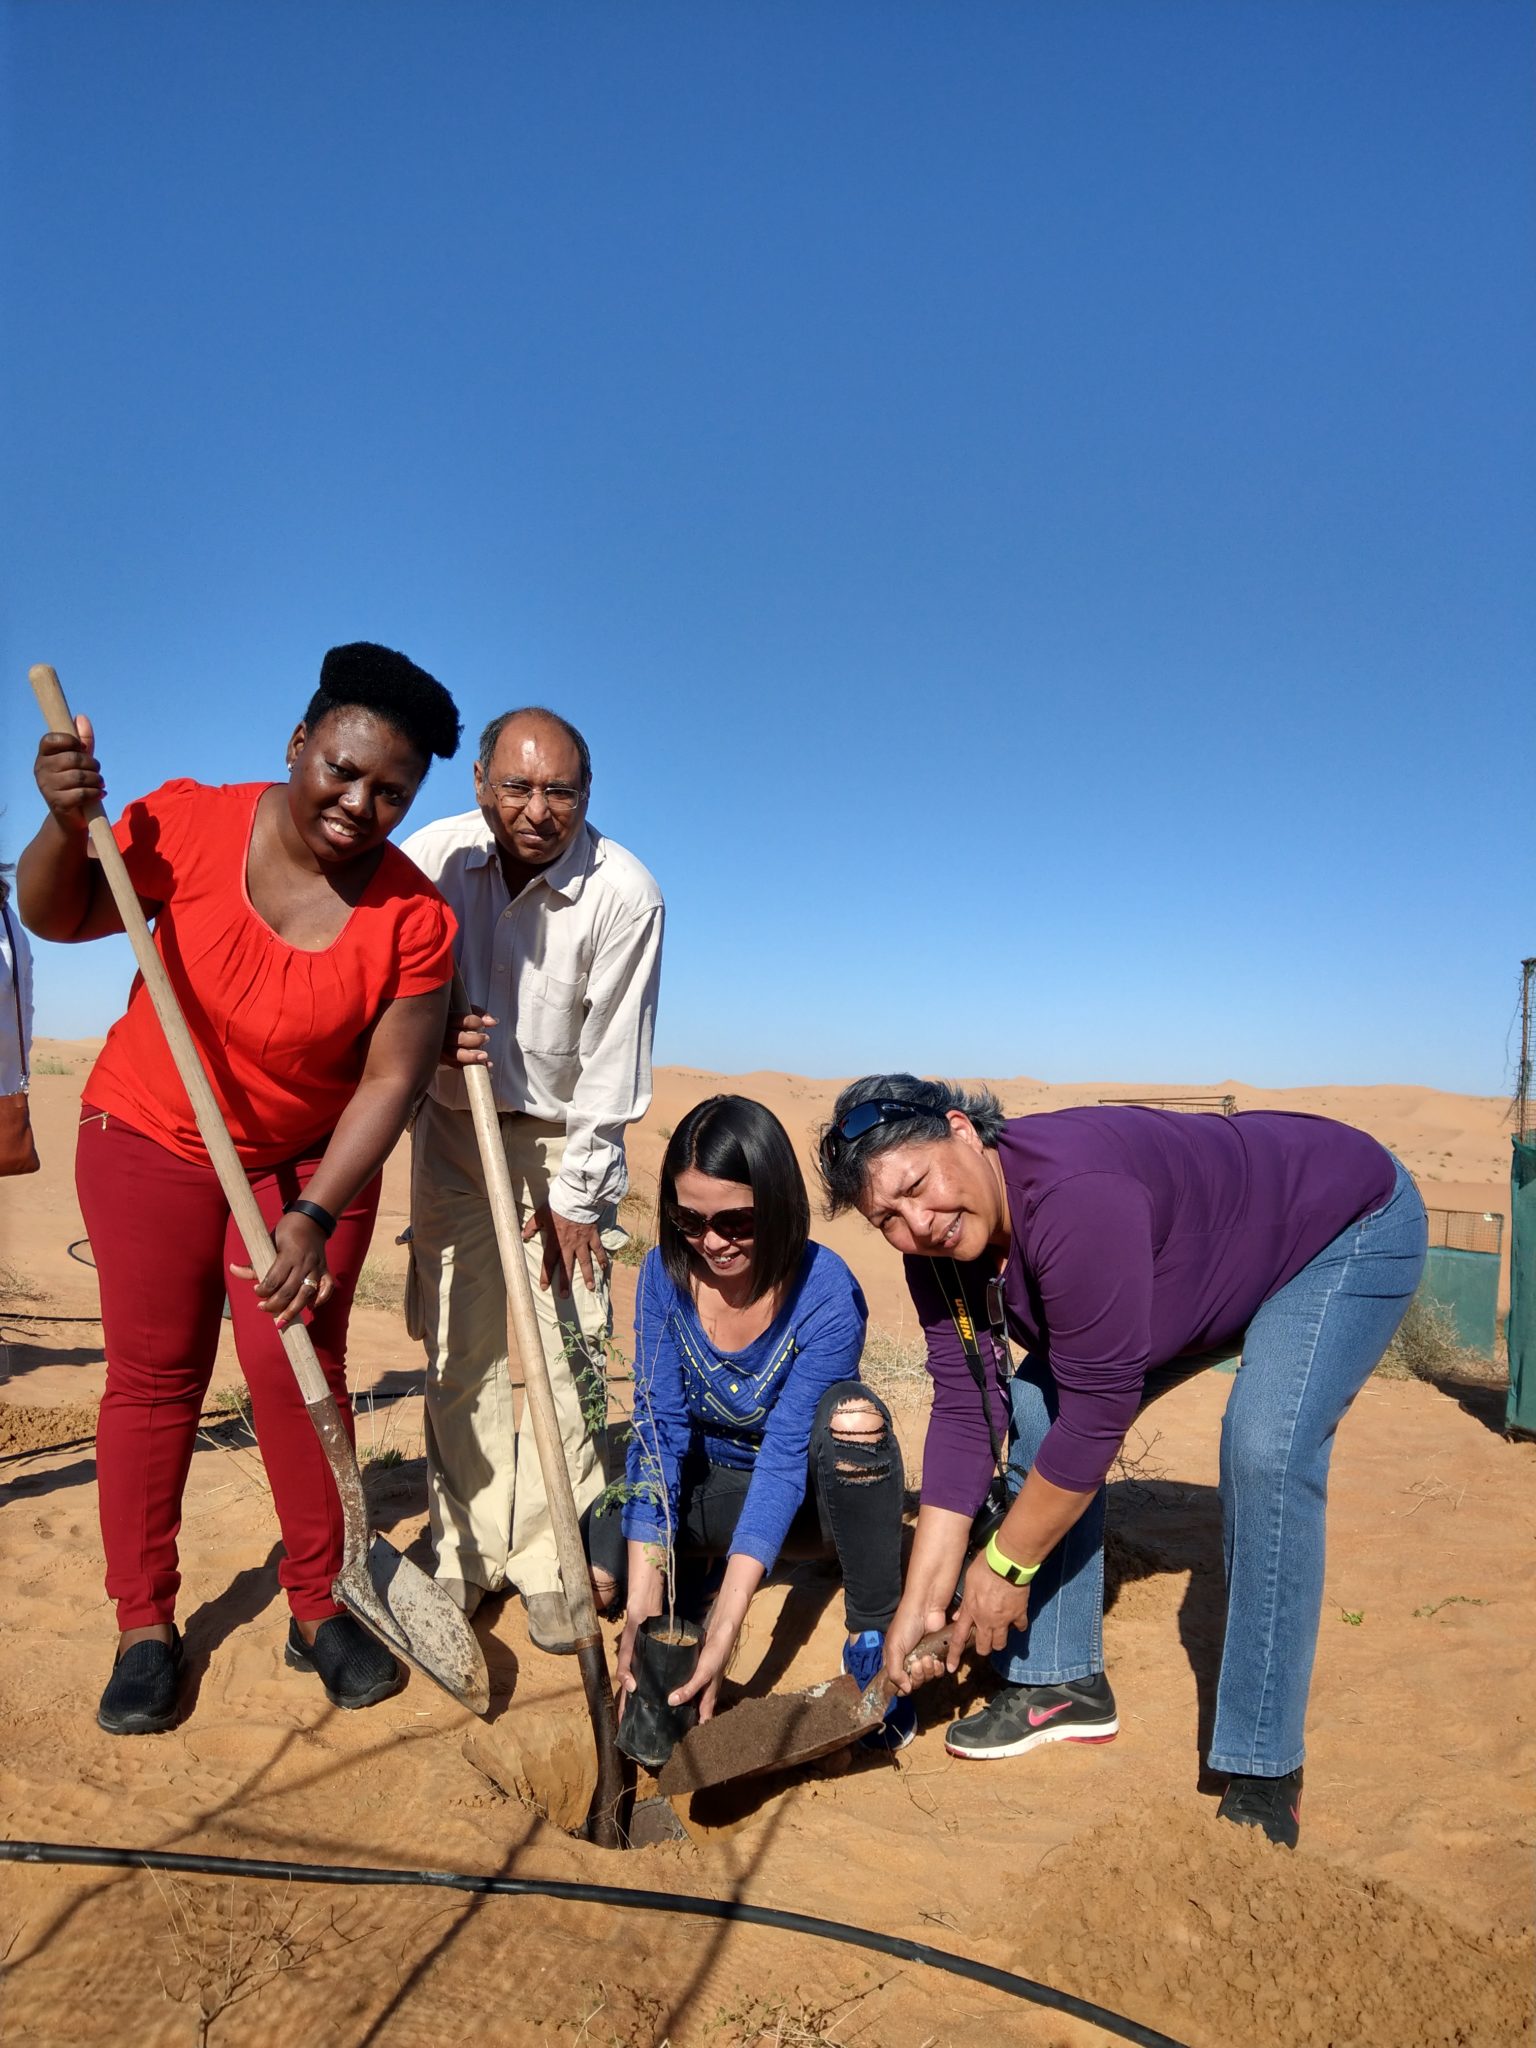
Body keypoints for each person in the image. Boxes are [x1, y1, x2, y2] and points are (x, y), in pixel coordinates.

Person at [17, 643, 462, 1736]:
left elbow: (392, 1079)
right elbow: (54, 914)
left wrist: (311, 1214)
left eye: (391, 792)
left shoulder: (414, 919)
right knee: (155, 1376)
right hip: (152, 1131)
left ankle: (320, 1602)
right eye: (342, 770)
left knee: (295, 1369)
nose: (359, 804)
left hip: (312, 1161)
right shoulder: (189, 822)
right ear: (299, 743)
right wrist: (65, 825)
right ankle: (144, 1624)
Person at [818, 1077, 1427, 1846]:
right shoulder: (937, 1252)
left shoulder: (1075, 1198)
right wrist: (920, 1604)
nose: (918, 1224)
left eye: (917, 1186)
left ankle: (1265, 1767)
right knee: (1037, 1400)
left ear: (962, 1131)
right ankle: (1062, 1682)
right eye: (887, 1220)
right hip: (1201, 1273)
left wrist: (1004, 1565)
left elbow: (1099, 1416)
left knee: (1265, 1447)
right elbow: (969, 1405)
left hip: (1337, 1230)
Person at [402, 707, 663, 1650]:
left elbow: (614, 1059)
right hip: (452, 1127)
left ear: (588, 795)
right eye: (517, 786)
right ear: (480, 784)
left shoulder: (624, 893)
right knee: (457, 1342)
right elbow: (386, 985)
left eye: (561, 791)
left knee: (571, 1345)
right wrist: (427, 1040)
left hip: (563, 1140)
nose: (538, 810)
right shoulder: (431, 860)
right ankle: (466, 1548)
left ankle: (554, 1556)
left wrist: (580, 1196)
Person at [593, 1094, 912, 1746]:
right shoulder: (663, 1275)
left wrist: (726, 1628)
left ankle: (876, 1640)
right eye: (688, 1219)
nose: (712, 1242)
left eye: (736, 1221)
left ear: (777, 1203)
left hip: (802, 1506)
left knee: (855, 1421)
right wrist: (641, 1614)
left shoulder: (824, 1290)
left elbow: (786, 1457)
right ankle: (697, 1576)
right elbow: (659, 1430)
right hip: (705, 1486)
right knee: (604, 1582)